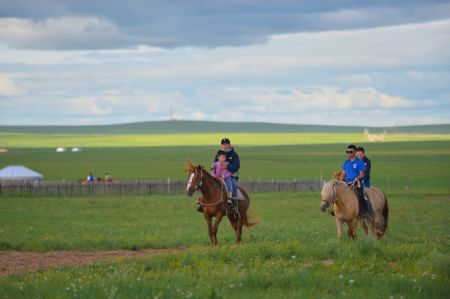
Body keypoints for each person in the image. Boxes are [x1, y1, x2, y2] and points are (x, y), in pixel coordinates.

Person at [339, 144, 369, 217]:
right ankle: (335, 210)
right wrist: (339, 182)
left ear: (355, 152)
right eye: (347, 152)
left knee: (360, 194)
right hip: (347, 183)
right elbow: (343, 174)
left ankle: (363, 211)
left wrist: (357, 178)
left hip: (356, 183)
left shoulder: (360, 162)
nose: (349, 153)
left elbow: (362, 174)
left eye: (351, 152)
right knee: (336, 193)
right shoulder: (346, 162)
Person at [212, 138, 240, 209]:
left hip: (231, 176)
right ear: (221, 145)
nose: (224, 145)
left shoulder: (234, 155)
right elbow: (215, 165)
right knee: (209, 183)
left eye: (226, 144)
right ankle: (206, 202)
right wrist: (212, 167)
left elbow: (236, 167)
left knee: (233, 184)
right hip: (219, 176)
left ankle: (234, 204)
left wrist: (228, 166)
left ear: (229, 145)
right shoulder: (218, 154)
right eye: (223, 144)